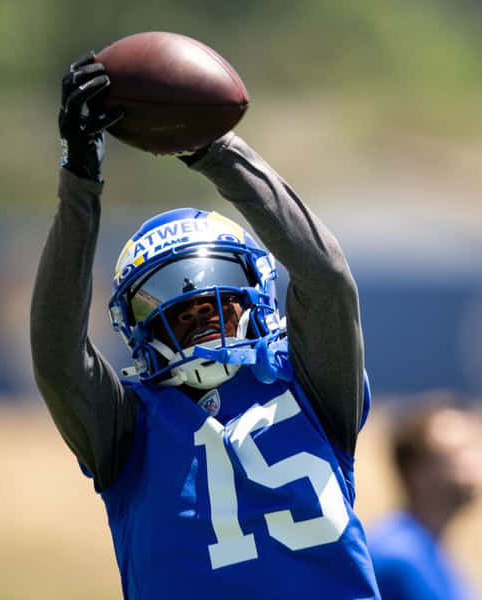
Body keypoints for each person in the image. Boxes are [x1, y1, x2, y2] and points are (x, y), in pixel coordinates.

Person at [30, 53, 380, 599]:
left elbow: (325, 277)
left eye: (215, 300)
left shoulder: (312, 386)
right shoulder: (129, 425)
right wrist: (80, 178)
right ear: (139, 327)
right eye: (172, 309)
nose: (198, 315)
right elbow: (57, 354)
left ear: (252, 294)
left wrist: (210, 146)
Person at [368, 396, 482, 600]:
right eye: (458, 451)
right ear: (416, 472)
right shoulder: (396, 558)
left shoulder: (432, 551)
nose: (476, 462)